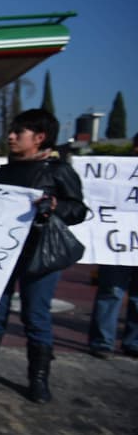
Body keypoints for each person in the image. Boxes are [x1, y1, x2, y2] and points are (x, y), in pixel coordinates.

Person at [0, 108, 87, 403]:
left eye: (18, 132)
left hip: (40, 256)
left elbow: (79, 210)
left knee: (36, 316)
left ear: (40, 138)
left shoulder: (59, 172)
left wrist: (56, 205)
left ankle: (38, 379)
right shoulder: (2, 172)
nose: (10, 136)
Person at [86, 132, 138, 359]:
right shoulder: (119, 173)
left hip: (123, 242)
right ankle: (102, 342)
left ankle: (133, 342)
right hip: (118, 244)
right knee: (111, 291)